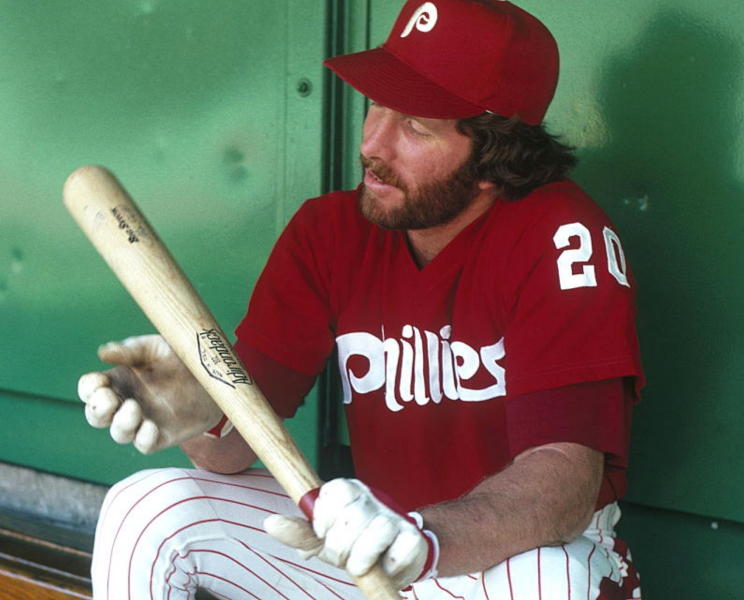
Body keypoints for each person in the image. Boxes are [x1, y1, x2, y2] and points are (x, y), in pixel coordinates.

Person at [78, 1, 644, 598]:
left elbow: (562, 482)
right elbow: (233, 449)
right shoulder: (330, 231)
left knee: (551, 582)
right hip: (369, 538)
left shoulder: (561, 237)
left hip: (499, 552)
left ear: (495, 158)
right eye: (376, 104)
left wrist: (425, 540)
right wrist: (199, 406)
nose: (374, 144)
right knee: (149, 509)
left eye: (416, 126)